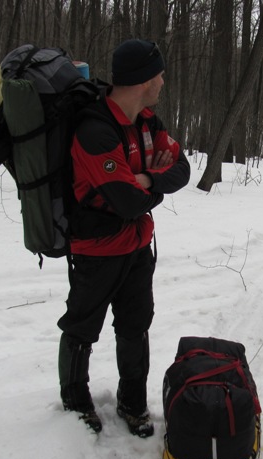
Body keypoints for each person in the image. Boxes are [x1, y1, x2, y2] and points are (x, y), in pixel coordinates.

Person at [57, 39, 190, 436]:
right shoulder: (95, 130)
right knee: (82, 327)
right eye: (159, 75)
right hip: (96, 250)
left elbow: (181, 168)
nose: (163, 82)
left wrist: (147, 177)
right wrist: (147, 187)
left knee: (136, 325)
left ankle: (132, 403)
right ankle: (75, 403)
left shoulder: (148, 122)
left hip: (136, 246)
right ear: (142, 80)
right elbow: (127, 201)